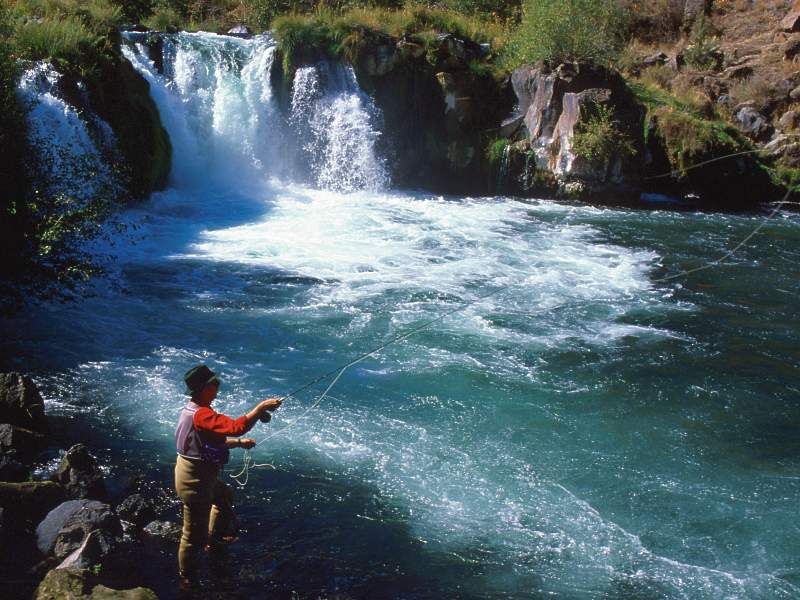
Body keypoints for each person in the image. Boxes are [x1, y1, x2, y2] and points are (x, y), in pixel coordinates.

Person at [174, 364, 281, 589]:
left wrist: (239, 444)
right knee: (192, 536)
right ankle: (187, 579)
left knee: (223, 498)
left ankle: (213, 541)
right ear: (204, 388)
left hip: (196, 475)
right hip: (195, 482)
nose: (218, 388)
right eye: (215, 384)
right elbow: (236, 427)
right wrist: (260, 407)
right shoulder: (202, 414)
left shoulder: (192, 410)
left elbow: (211, 441)